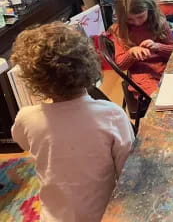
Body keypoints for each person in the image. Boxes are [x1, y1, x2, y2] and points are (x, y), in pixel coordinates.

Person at [11, 22, 135, 222]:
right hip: (104, 216)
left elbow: (24, 142)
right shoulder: (111, 115)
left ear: (34, 80)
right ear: (89, 63)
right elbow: (128, 172)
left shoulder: (26, 118)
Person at [109, 0, 173, 96]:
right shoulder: (120, 30)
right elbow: (121, 65)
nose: (137, 22)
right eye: (130, 19)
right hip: (143, 75)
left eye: (140, 16)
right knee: (162, 98)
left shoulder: (159, 22)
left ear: (149, 10)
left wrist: (158, 47)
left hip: (166, 68)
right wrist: (131, 53)